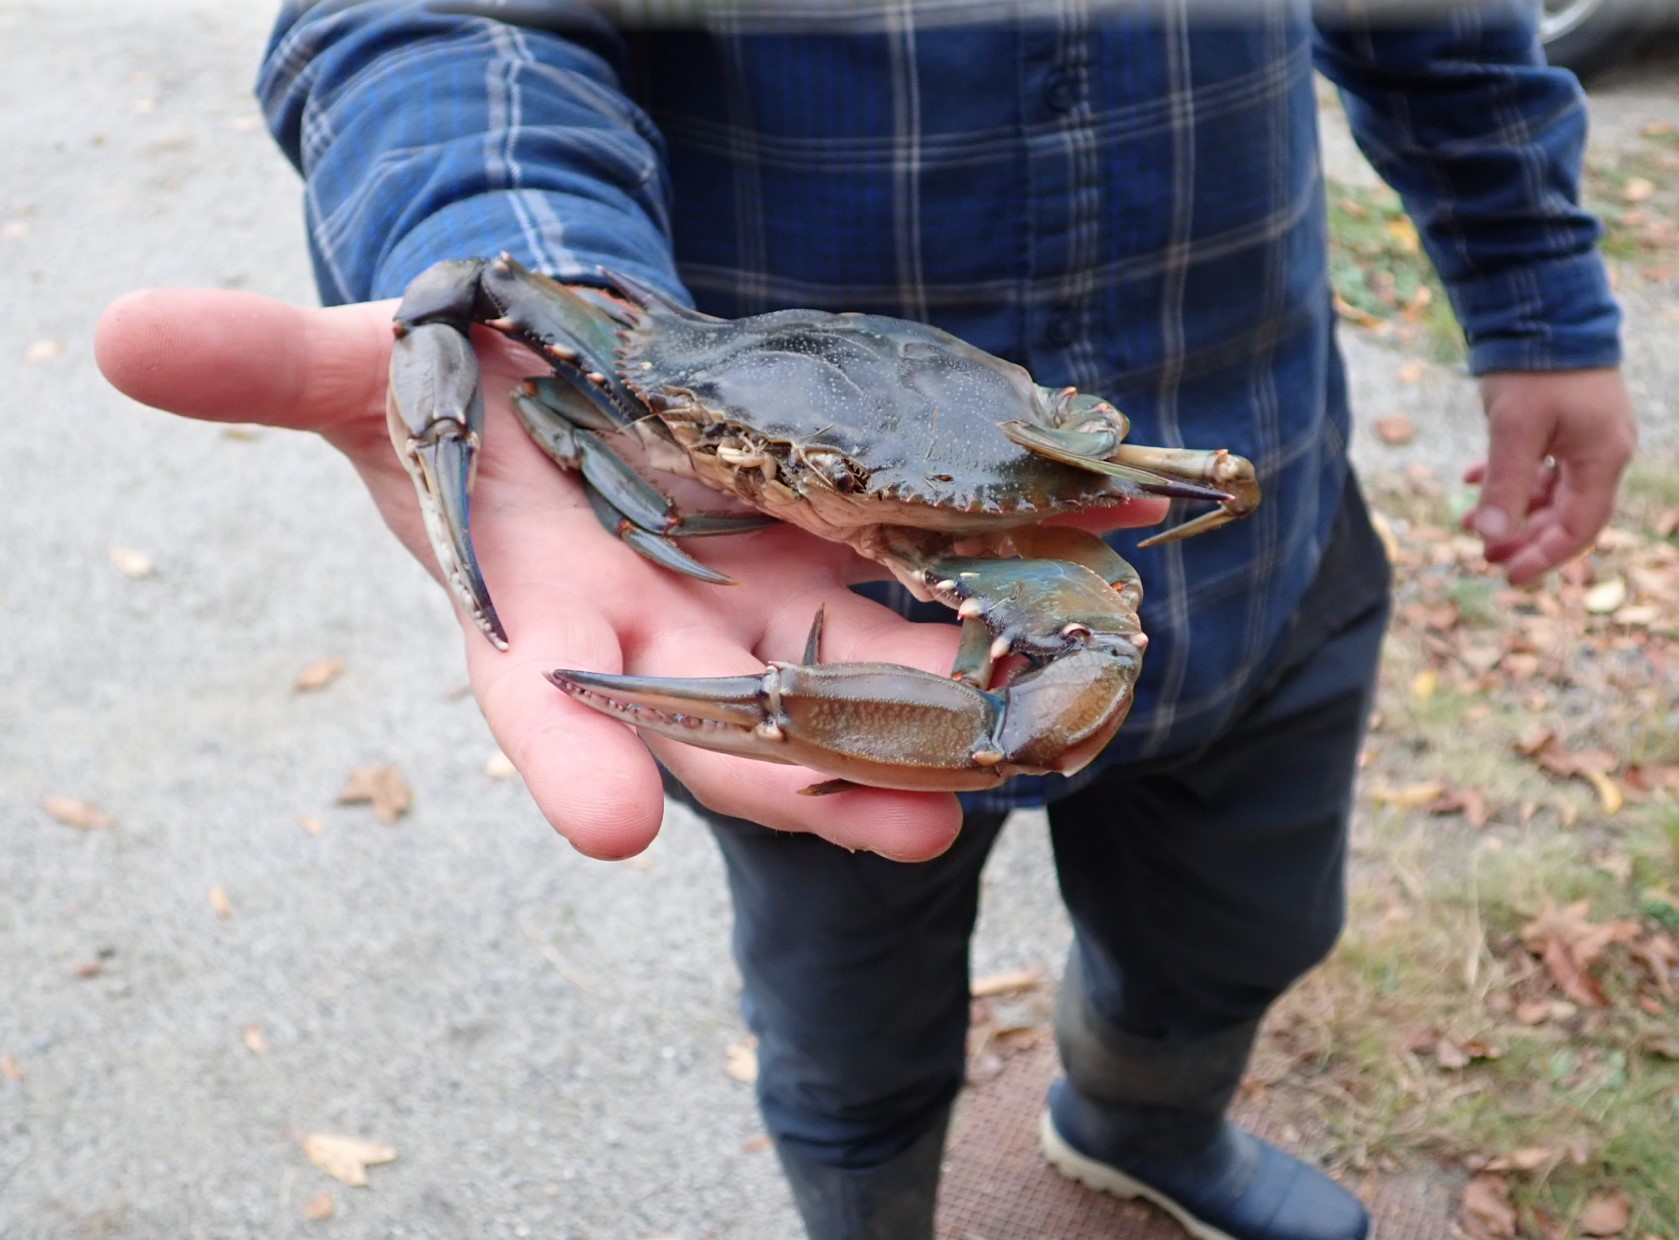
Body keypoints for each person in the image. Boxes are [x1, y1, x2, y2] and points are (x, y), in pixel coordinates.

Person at [95, 2, 1636, 1237]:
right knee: (846, 1029)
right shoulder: (657, 393)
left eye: (822, 474)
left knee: (1241, 926)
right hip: (784, 628)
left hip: (1223, 507)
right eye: (788, 469)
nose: (805, 482)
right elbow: (437, 43)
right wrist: (546, 289)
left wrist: (1537, 295)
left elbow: (1434, 18)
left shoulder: (1068, 540)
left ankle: (1141, 1128)